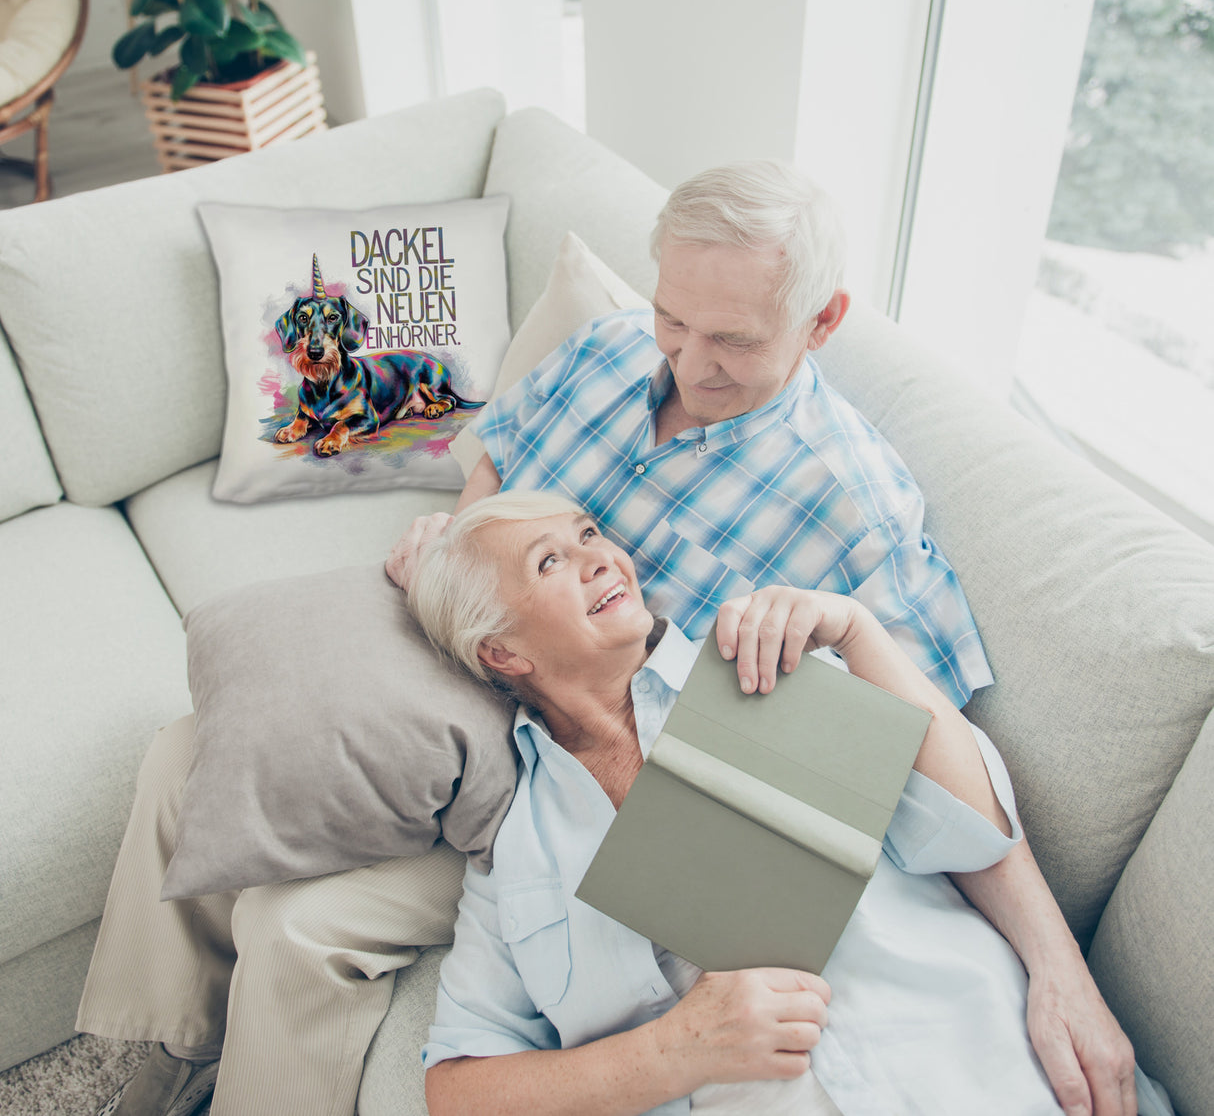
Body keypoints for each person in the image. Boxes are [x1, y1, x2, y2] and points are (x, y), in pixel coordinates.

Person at [389, 161, 1136, 1115]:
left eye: (732, 340)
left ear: (822, 322)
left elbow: (944, 787)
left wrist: (1058, 971)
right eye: (674, 320)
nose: (689, 364)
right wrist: (461, 560)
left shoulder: (831, 561)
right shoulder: (608, 353)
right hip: (494, 736)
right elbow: (499, 456)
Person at [407, 491, 1162, 1116]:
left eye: (589, 534)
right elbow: (458, 1089)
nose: (601, 556)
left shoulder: (762, 664)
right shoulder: (516, 853)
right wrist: (673, 1052)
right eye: (551, 561)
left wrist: (858, 633)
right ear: (502, 652)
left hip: (984, 1069)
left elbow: (973, 831)